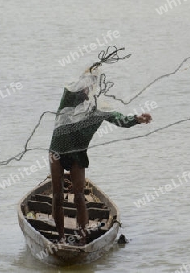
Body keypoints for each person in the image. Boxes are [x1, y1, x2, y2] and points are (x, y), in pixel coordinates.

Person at [49, 65, 152, 245]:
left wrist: (137, 119)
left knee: (79, 196)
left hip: (78, 153)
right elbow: (74, 84)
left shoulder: (99, 108)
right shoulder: (69, 96)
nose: (85, 88)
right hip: (58, 149)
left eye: (90, 84)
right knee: (57, 195)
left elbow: (120, 120)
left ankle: (82, 238)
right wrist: (90, 70)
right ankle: (60, 238)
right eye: (84, 83)